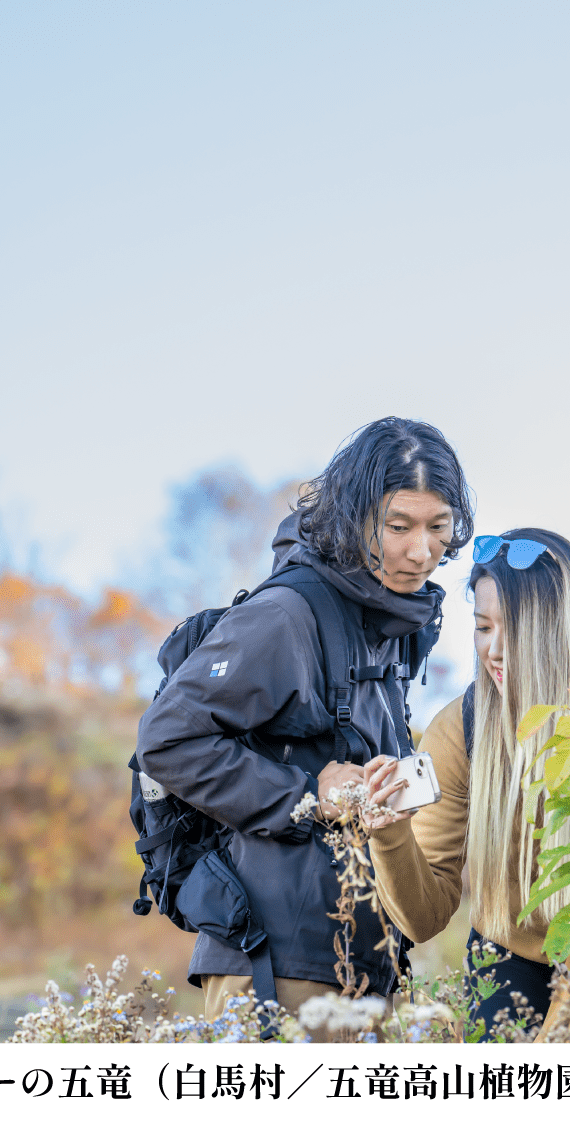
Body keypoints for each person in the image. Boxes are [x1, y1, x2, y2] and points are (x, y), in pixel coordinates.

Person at [135, 417, 474, 1031]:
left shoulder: (391, 625)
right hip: (274, 963)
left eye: (437, 527)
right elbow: (167, 740)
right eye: (398, 526)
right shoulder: (288, 615)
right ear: (355, 519)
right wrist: (307, 793)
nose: (420, 550)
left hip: (361, 961)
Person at [363, 528, 570, 1036]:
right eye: (482, 627)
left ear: (563, 629)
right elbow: (424, 917)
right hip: (507, 955)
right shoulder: (459, 730)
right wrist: (390, 835)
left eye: (514, 628)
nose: (492, 651)